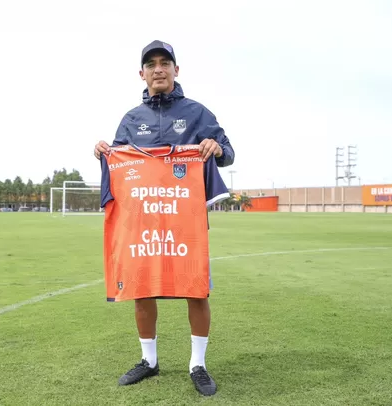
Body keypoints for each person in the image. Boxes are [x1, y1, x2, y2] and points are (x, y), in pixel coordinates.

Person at [93, 40, 235, 396]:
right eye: (151, 64)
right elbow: (119, 165)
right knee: (142, 290)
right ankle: (149, 361)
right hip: (142, 222)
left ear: (176, 70)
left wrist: (216, 148)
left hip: (185, 221)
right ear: (141, 74)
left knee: (196, 290)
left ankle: (198, 365)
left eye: (165, 63)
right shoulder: (131, 119)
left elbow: (228, 152)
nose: (158, 69)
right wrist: (103, 152)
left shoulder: (197, 112)